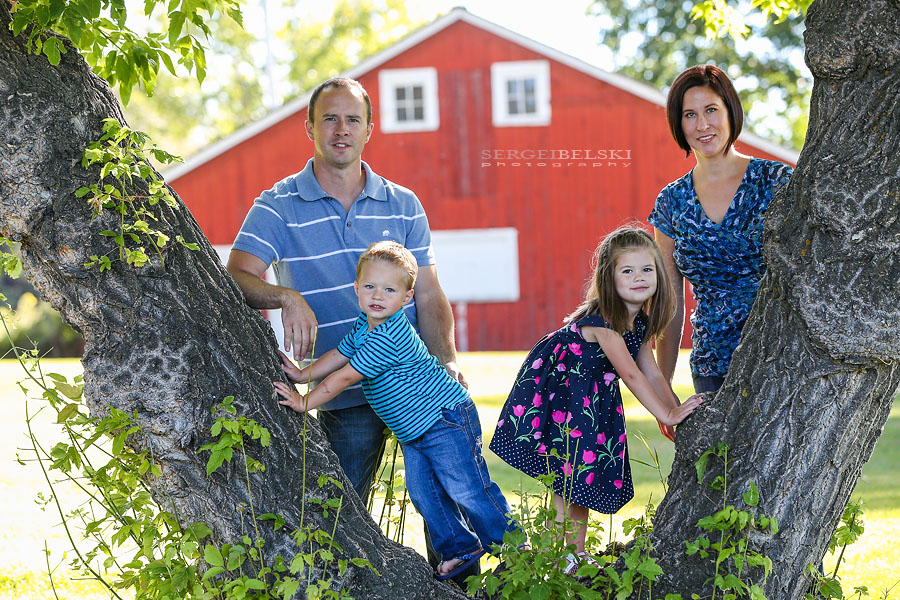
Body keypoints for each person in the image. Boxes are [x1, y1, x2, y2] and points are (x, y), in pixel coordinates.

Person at [226, 77, 477, 584]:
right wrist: (286, 297)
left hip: (414, 384)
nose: (341, 130)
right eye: (330, 119)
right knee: (338, 518)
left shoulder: (403, 204)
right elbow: (236, 274)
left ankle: (461, 590)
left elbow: (428, 294)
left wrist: (447, 360)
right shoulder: (277, 205)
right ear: (309, 128)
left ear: (369, 129)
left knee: (448, 505)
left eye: (353, 119)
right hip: (341, 394)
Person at [274, 241, 518, 581]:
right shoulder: (365, 324)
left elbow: (343, 378)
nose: (378, 295)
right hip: (414, 430)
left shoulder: (389, 336)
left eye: (389, 289)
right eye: (370, 287)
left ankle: (516, 549)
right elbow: (340, 355)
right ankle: (460, 547)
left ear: (406, 297)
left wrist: (303, 402)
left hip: (444, 418)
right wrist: (302, 373)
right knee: (422, 492)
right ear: (356, 289)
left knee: (467, 489)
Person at [489, 226, 702, 576]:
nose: (639, 278)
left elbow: (651, 373)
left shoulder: (640, 322)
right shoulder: (604, 321)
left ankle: (575, 552)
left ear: (659, 275)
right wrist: (666, 412)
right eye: (627, 271)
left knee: (581, 479)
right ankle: (560, 558)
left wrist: (674, 410)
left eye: (647, 269)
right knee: (566, 479)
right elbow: (631, 374)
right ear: (609, 277)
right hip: (558, 396)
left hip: (588, 402)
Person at [649, 64, 794, 394]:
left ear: (731, 111)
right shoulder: (672, 201)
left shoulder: (776, 181)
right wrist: (663, 384)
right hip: (711, 368)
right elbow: (669, 302)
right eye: (689, 114)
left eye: (711, 110)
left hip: (782, 363)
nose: (702, 124)